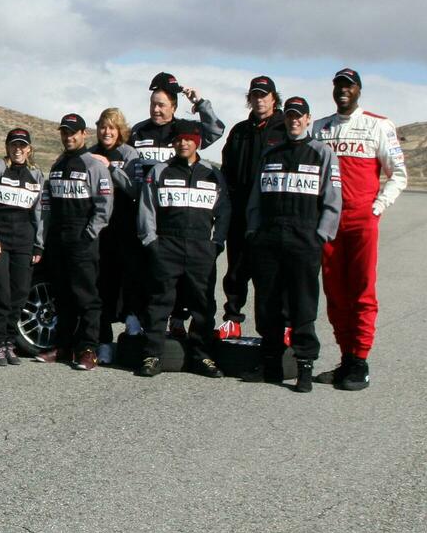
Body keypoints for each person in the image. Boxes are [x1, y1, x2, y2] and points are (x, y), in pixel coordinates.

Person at [312, 68, 407, 391]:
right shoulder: (319, 128)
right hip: (328, 224)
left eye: (349, 87)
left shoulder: (379, 125)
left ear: (359, 91)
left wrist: (376, 208)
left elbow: (399, 175)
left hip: (361, 221)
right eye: (338, 86)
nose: (343, 92)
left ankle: (360, 360)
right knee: (335, 293)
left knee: (362, 291)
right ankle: (346, 358)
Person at [244, 97, 342, 392]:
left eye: (299, 116)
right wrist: (253, 231)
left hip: (304, 241)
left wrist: (320, 236)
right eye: (289, 116)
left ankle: (305, 368)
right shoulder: (271, 153)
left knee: (303, 306)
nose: (294, 121)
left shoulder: (322, 154)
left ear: (309, 119)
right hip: (270, 239)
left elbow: (333, 201)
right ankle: (271, 364)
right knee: (267, 303)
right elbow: (256, 199)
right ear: (284, 119)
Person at [125, 72, 225, 349]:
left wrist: (201, 103)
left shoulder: (183, 130)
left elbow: (215, 130)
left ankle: (178, 320)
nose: (156, 110)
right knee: (143, 271)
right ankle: (139, 320)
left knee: (178, 276)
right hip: (144, 209)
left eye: (162, 105)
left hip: (175, 211)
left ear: (173, 107)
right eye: (153, 104)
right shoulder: (139, 131)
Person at [135, 119, 230, 379]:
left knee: (203, 305)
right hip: (167, 244)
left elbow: (223, 213)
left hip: (201, 247)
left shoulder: (212, 173)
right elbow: (147, 208)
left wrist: (216, 243)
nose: (183, 143)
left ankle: (202, 356)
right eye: (178, 139)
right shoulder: (159, 171)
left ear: (197, 141)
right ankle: (152, 355)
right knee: (158, 303)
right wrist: (151, 242)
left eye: (188, 138)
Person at [39, 113, 114, 371]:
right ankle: (63, 346)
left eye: (73, 132)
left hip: (83, 238)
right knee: (62, 296)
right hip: (58, 239)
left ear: (84, 134)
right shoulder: (58, 163)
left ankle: (88, 350)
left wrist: (89, 234)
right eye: (64, 132)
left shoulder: (94, 165)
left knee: (86, 298)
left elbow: (104, 206)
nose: (68, 137)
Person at [217, 75, 286, 340]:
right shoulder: (239, 132)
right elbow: (226, 170)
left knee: (268, 274)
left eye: (264, 95)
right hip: (239, 211)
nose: (259, 100)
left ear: (273, 98)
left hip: (270, 215)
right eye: (255, 95)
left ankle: (273, 329)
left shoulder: (282, 129)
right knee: (236, 270)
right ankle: (232, 319)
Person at [0, 128, 44, 366]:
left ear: (29, 148)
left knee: (19, 294)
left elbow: (39, 212)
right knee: (0, 294)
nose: (18, 149)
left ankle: (9, 342)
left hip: (24, 241)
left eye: (22, 145)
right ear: (7, 147)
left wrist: (39, 245)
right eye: (13, 145)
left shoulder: (36, 174)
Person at [88, 107, 140, 364]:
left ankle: (132, 327)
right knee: (102, 286)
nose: (106, 132)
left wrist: (111, 169)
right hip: (100, 230)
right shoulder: (89, 153)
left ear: (120, 130)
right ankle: (104, 343)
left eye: (112, 127)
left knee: (129, 280)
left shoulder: (129, 153)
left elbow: (135, 188)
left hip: (126, 226)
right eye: (102, 127)